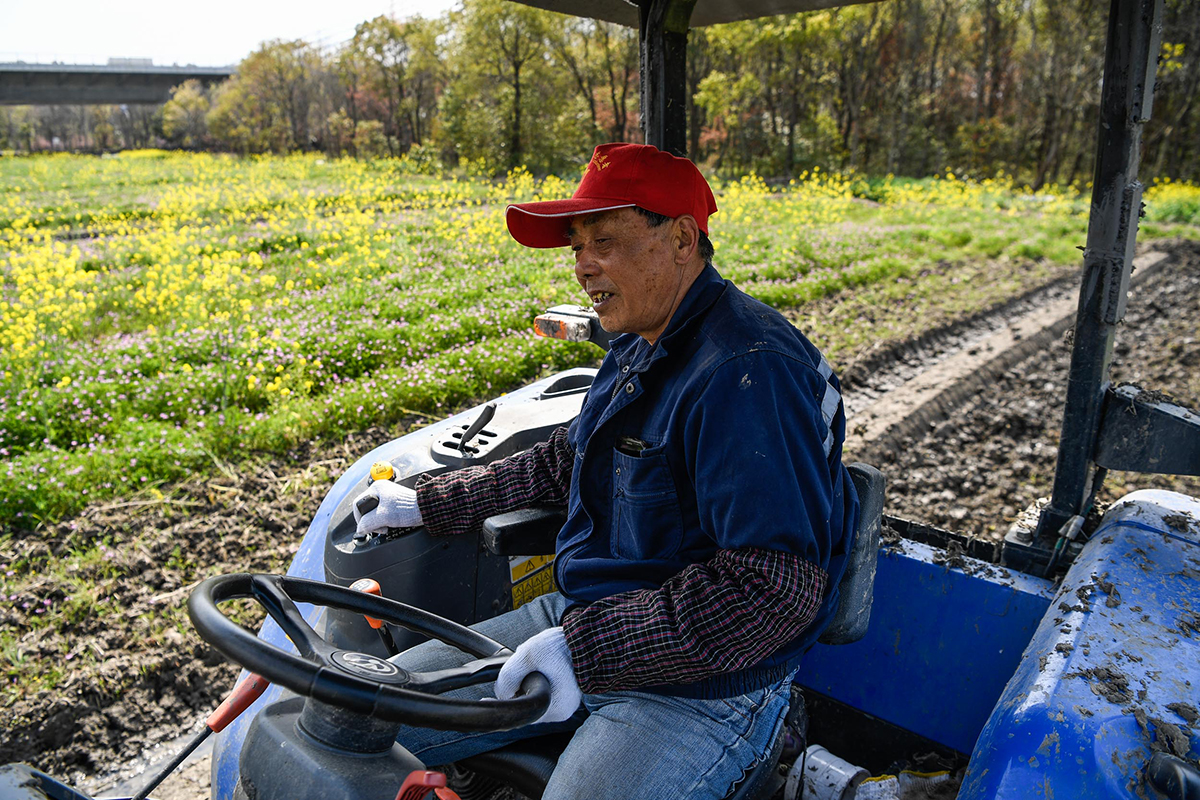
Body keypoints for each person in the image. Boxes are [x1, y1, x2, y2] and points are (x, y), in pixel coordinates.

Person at [352, 142, 859, 800]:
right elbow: (569, 459)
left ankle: (766, 738)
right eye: (576, 247)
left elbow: (772, 592)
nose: (583, 267)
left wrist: (585, 649)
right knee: (355, 718)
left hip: (703, 687)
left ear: (681, 240)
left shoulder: (748, 373)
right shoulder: (638, 339)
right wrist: (427, 503)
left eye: (605, 242)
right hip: (583, 618)